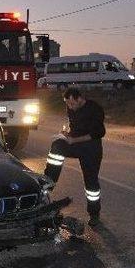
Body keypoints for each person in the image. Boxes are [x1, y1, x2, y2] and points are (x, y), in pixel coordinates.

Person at [44, 87, 105, 227]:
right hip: (76, 143)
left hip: (91, 148)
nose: (69, 107)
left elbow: (98, 133)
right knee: (57, 145)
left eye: (71, 103)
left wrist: (74, 140)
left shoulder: (95, 109)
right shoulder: (71, 109)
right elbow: (74, 129)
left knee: (91, 182)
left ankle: (94, 214)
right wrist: (66, 135)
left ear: (79, 99)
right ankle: (48, 182)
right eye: (67, 104)